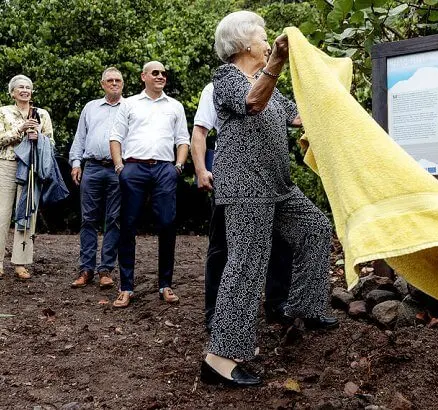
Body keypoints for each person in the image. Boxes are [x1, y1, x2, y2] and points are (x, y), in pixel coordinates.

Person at [201, 11, 336, 387]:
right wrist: (276, 60)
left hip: (277, 187)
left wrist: (336, 104)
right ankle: (219, 360)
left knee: (316, 228)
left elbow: (298, 116)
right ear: (244, 43)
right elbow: (252, 103)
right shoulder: (225, 78)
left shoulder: (269, 85)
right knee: (246, 266)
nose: (267, 43)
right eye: (263, 38)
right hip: (245, 188)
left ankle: (304, 307)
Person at [190, 82, 293, 330]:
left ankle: (277, 305)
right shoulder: (216, 88)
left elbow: (292, 119)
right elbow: (200, 132)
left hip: (269, 176)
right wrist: (202, 169)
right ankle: (216, 313)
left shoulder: (270, 88)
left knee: (280, 240)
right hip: (233, 175)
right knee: (223, 246)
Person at [109, 61, 190, 308]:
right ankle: (126, 287)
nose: (161, 76)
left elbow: (183, 139)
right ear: (144, 76)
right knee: (128, 225)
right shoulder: (129, 104)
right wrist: (120, 168)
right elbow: (115, 137)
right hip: (133, 168)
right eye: (155, 72)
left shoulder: (175, 106)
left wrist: (178, 167)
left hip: (165, 169)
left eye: (164, 73)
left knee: (167, 224)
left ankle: (165, 284)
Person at [69, 67, 124, 289]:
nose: (114, 83)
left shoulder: (131, 107)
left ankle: (106, 270)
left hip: (118, 169)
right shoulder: (90, 108)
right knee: (88, 219)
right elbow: (80, 137)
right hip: (91, 167)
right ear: (102, 84)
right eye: (109, 80)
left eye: (118, 80)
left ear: (123, 83)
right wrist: (75, 163)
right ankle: (86, 269)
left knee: (114, 219)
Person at [0, 75, 53, 280]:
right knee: (2, 213)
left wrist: (38, 136)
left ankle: (20, 263)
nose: (25, 90)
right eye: (20, 87)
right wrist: (19, 130)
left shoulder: (42, 114)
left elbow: (51, 142)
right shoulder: (3, 112)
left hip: (31, 166)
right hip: (7, 163)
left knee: (27, 214)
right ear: (12, 92)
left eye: (28, 87)